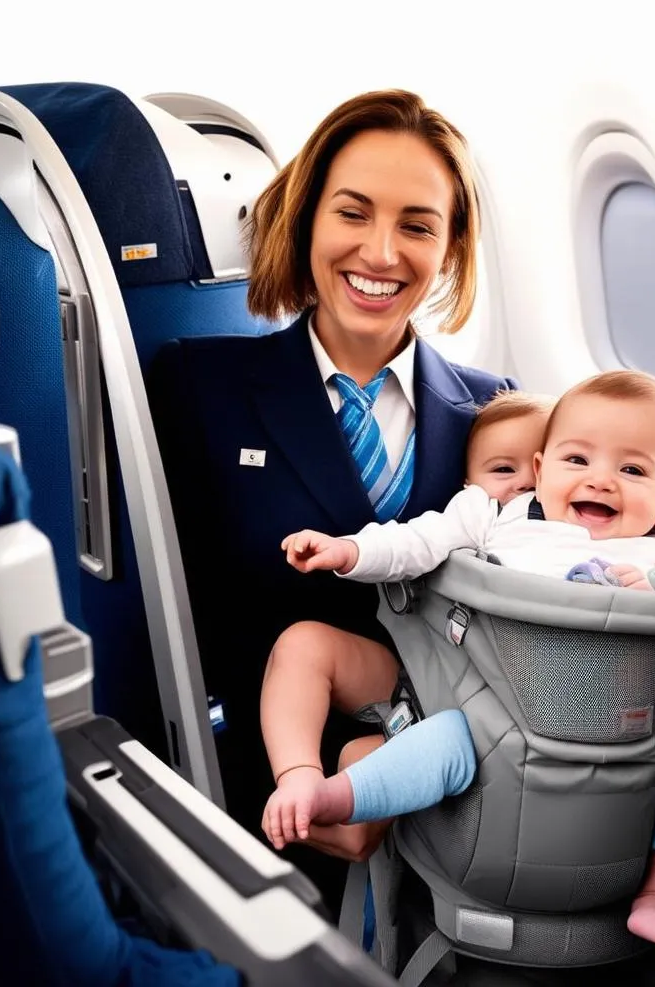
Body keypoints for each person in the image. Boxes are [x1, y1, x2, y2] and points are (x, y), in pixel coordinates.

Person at [148, 90, 516, 913]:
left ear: (450, 247)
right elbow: (178, 632)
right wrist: (311, 775)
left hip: (451, 801)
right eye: (353, 213)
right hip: (262, 798)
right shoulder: (197, 387)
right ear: (308, 218)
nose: (381, 252)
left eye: (418, 225)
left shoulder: (498, 414)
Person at [264, 372, 655, 951]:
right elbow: (418, 541)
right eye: (577, 460)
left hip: (635, 724)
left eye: (633, 470)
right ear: (541, 472)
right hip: (504, 714)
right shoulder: (499, 518)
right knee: (442, 741)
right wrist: (349, 551)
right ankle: (334, 797)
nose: (601, 480)